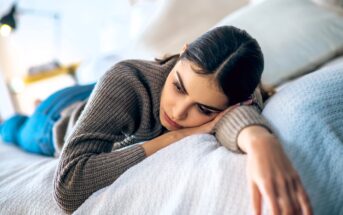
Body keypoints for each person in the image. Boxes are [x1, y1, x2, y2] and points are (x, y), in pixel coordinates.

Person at [0, 26, 312, 215]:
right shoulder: (127, 78)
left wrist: (260, 141)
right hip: (57, 118)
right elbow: (69, 187)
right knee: (14, 129)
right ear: (183, 53)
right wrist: (172, 138)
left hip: (105, 100)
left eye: (204, 110)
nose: (177, 113)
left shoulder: (234, 85)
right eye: (178, 86)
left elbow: (240, 115)